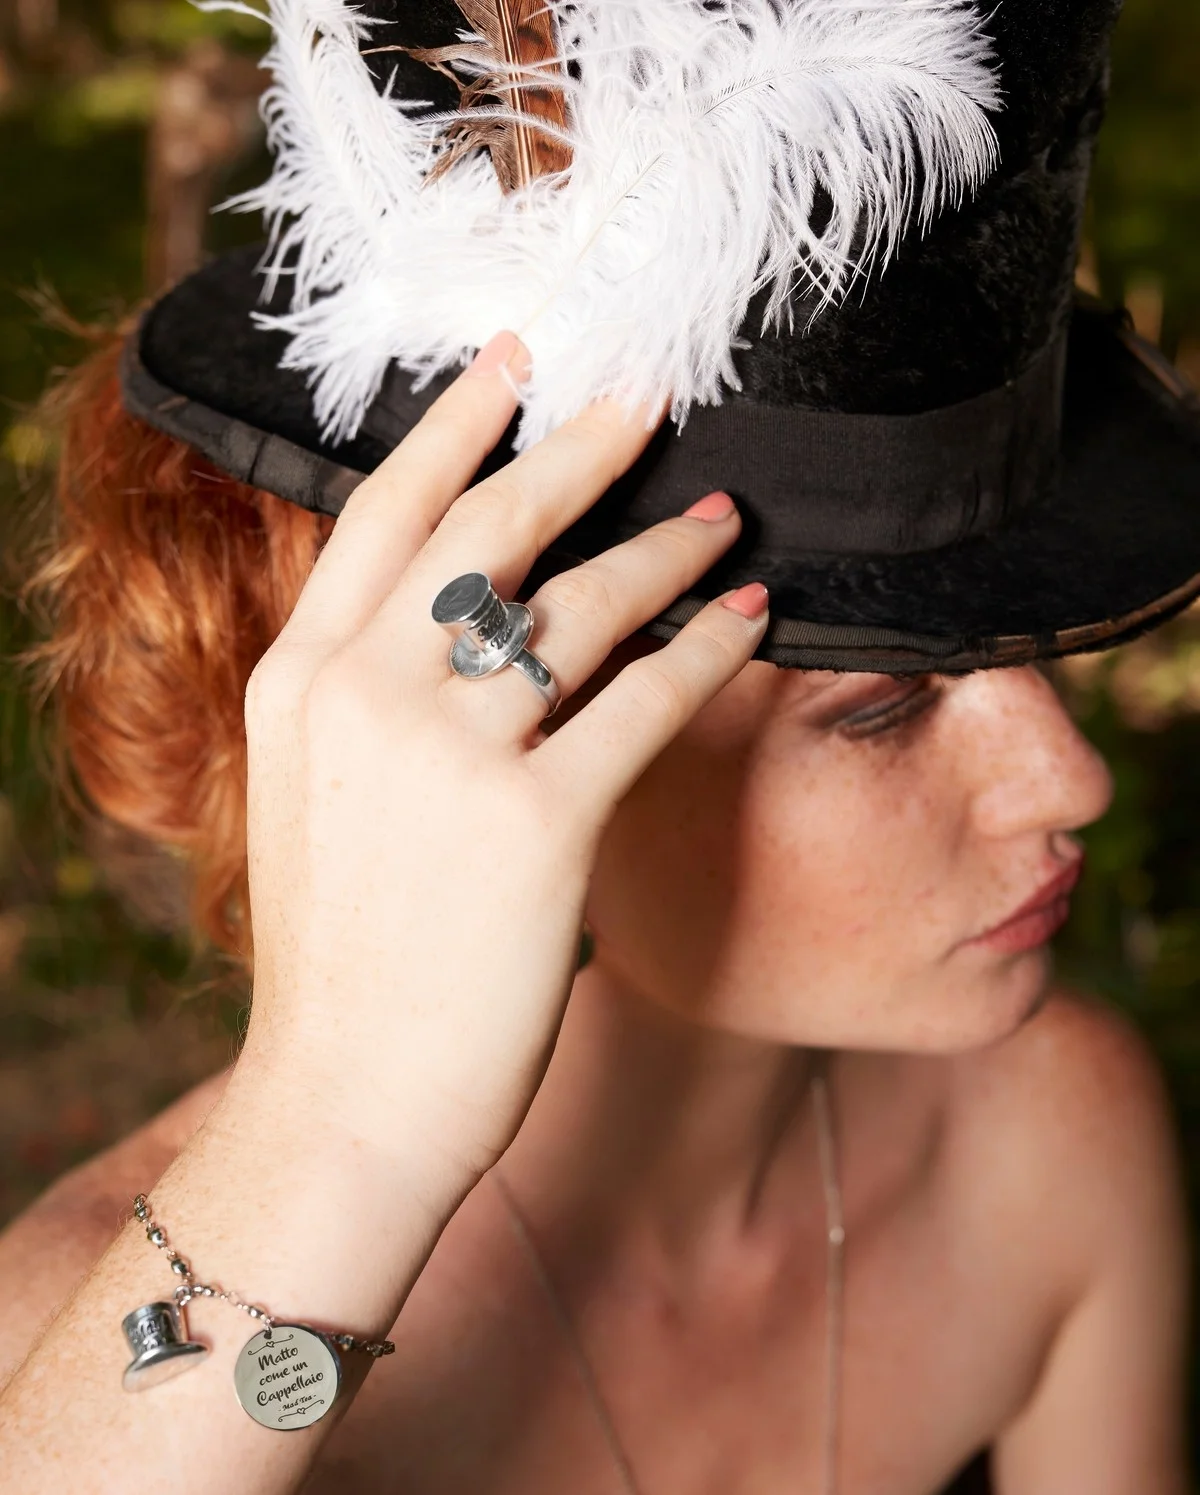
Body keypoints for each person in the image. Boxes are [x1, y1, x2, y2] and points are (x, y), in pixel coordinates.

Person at [0, 0, 1196, 1491]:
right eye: (880, 710)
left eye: (1031, 651)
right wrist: (341, 1132)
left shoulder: (1043, 1142)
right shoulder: (79, 1364)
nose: (1070, 778)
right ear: (493, 750)